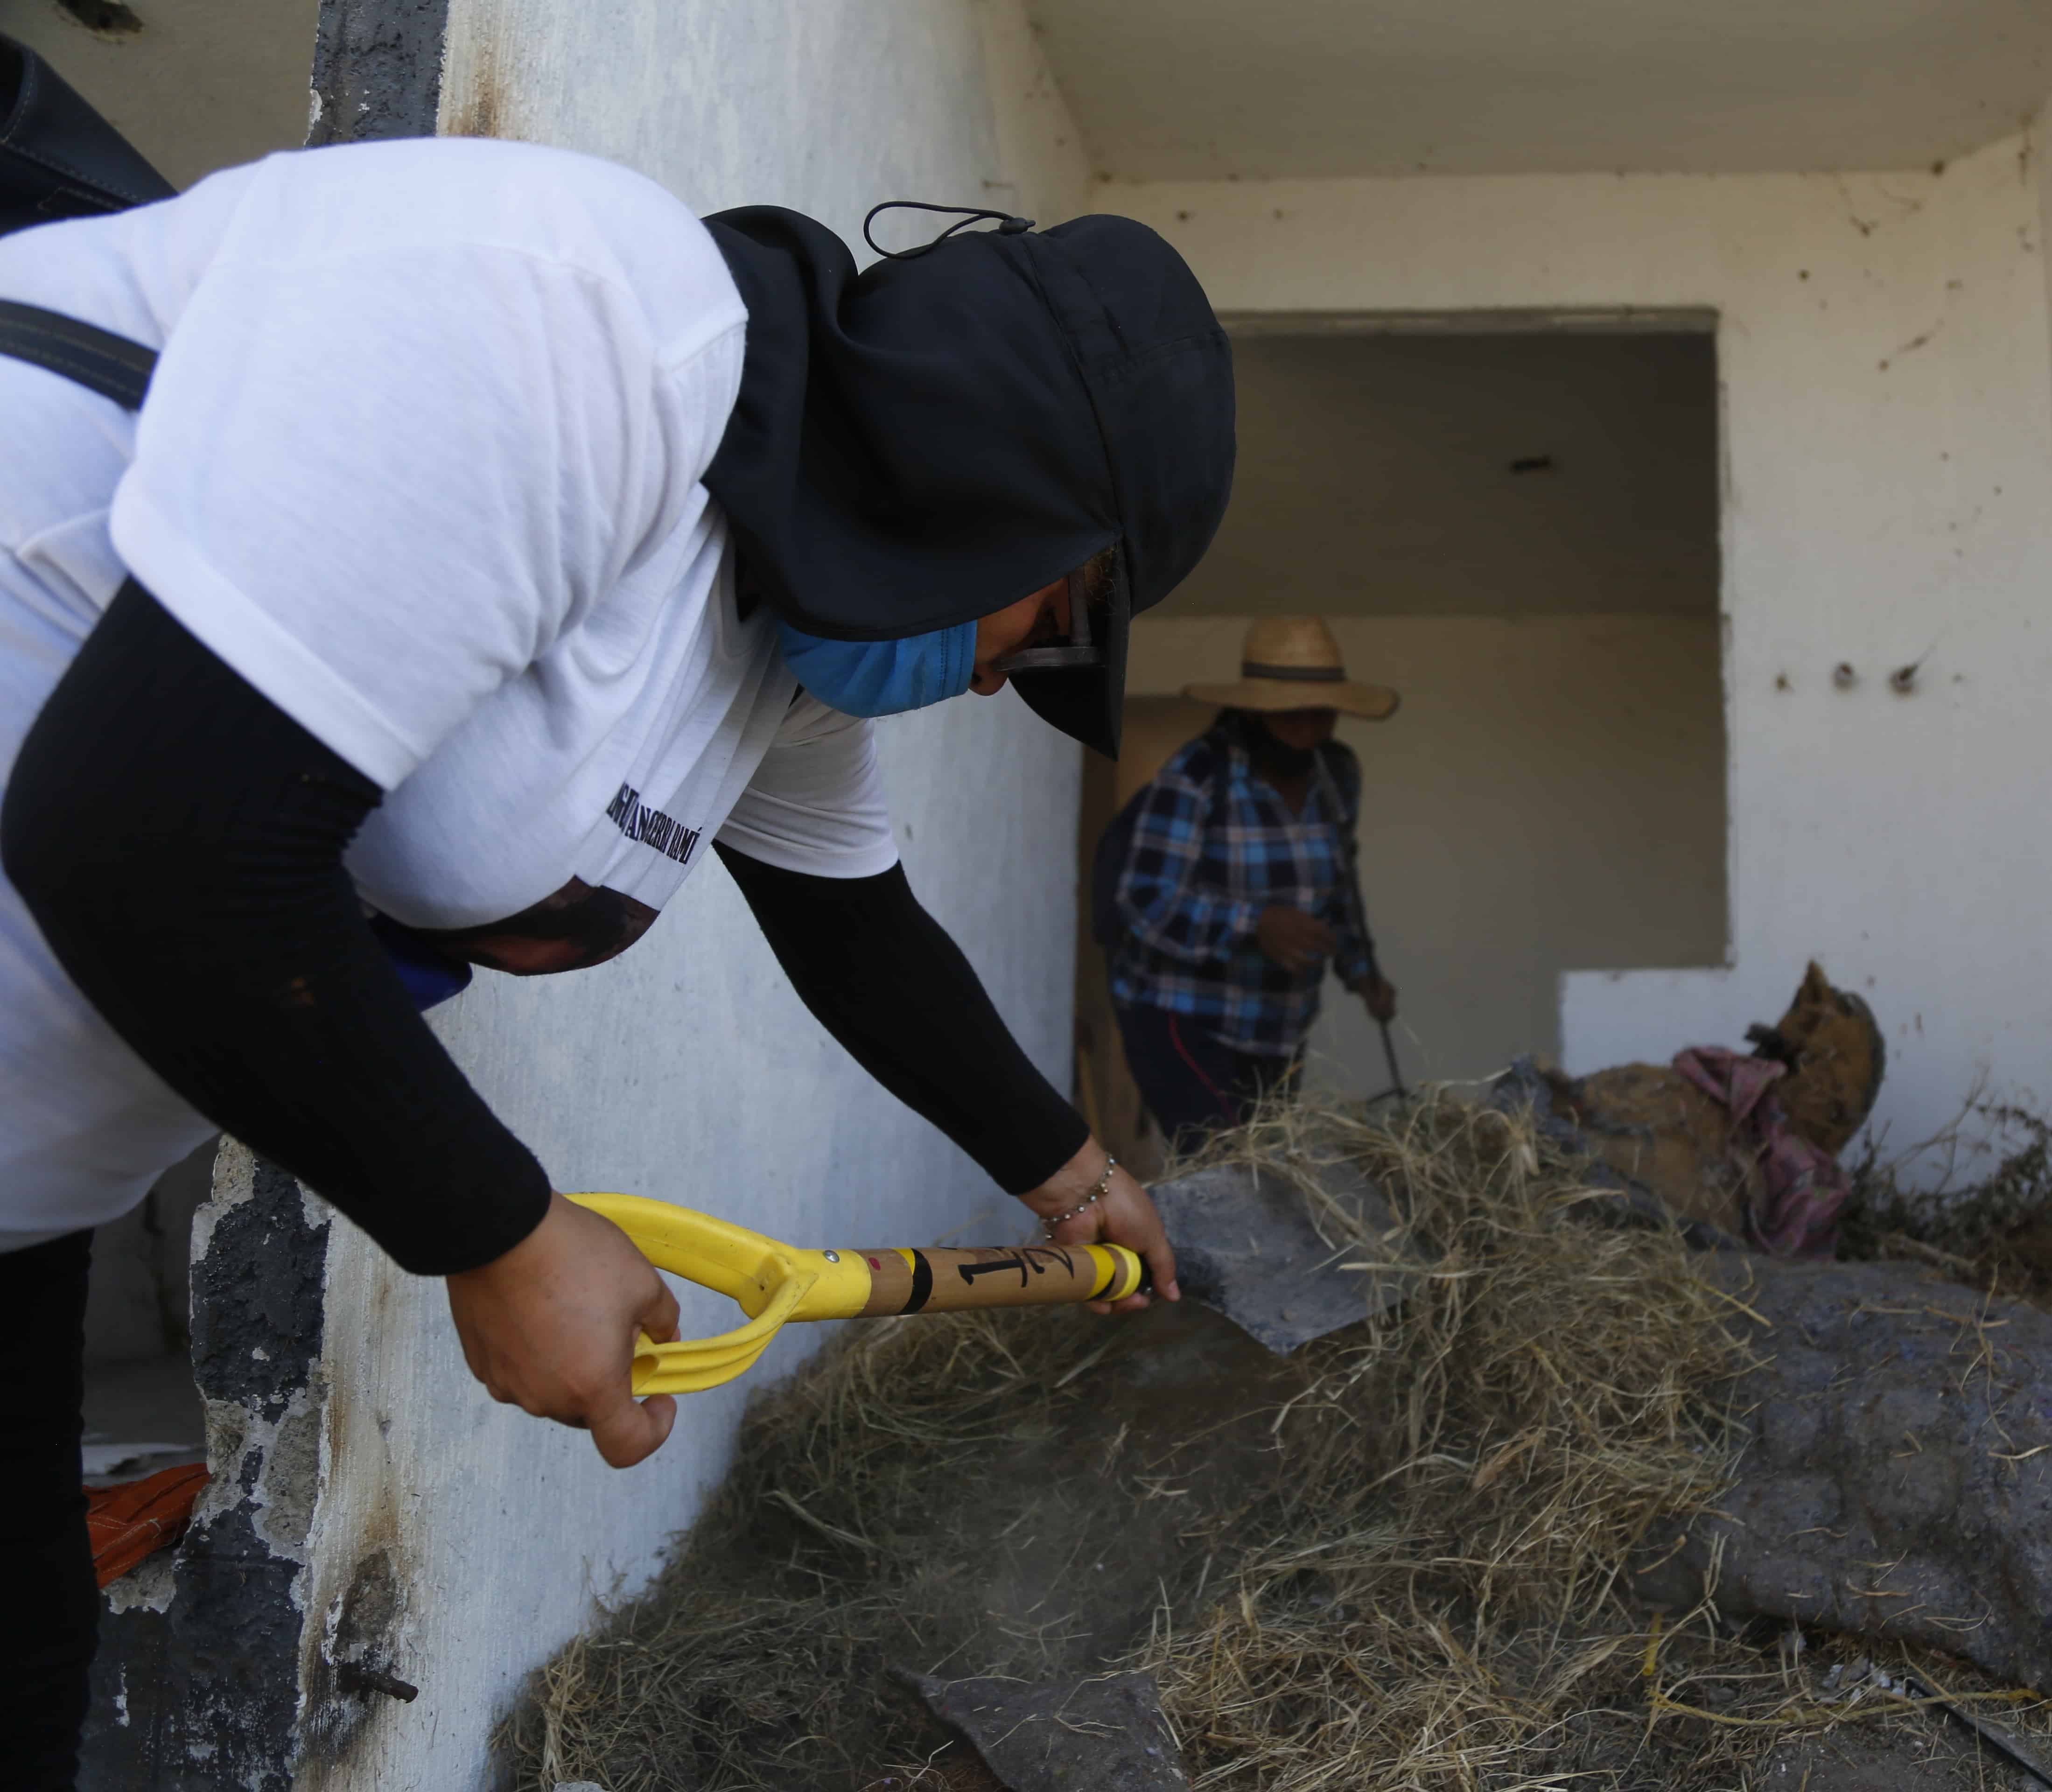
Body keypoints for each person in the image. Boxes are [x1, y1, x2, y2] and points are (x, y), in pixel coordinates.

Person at [0, 129, 1233, 1785]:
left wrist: (1073, 1174)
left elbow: (858, 935)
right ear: (994, 491)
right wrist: (495, 1228)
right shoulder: (585, 320)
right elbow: (150, 829)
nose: (1015, 677)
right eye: (1058, 616)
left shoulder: (770, 660)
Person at [1105, 616, 1399, 1146]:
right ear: (1254, 711)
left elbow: (1336, 889)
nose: (1308, 731)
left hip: (1279, 1025)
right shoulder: (1198, 775)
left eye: (1322, 715)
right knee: (1225, 1171)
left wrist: (1361, 970)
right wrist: (1253, 923)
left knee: (1270, 1178)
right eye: (1291, 716)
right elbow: (1145, 901)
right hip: (1184, 1015)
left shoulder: (1338, 774)